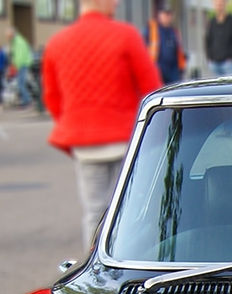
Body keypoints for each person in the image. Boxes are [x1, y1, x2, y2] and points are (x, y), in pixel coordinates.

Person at [44, 0, 161, 245]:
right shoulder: (126, 36)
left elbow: (52, 98)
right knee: (135, 210)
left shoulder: (57, 42)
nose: (117, 3)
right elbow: (152, 90)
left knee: (94, 212)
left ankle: (94, 271)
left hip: (84, 142)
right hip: (126, 138)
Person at [205, 0, 232, 76]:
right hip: (214, 64)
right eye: (217, 4)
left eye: (221, 4)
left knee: (230, 87)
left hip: (229, 64)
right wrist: (210, 57)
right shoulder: (212, 22)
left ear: (225, 4)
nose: (219, 6)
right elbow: (208, 40)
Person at [7, 27, 35, 106]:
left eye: (8, 35)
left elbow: (19, 55)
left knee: (20, 84)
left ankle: (26, 100)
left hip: (22, 64)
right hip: (22, 64)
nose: (7, 37)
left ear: (12, 34)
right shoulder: (17, 41)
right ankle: (26, 100)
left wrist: (16, 65)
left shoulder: (18, 42)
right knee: (21, 83)